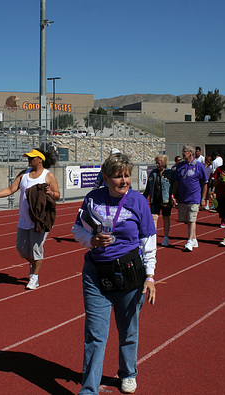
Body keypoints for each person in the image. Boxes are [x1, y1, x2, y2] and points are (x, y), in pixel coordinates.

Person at [71, 153, 156, 395]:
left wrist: (150, 277)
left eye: (127, 175)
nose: (124, 180)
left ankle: (128, 373)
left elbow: (148, 241)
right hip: (96, 274)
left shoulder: (138, 202)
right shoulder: (92, 199)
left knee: (128, 329)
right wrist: (91, 240)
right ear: (106, 178)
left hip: (130, 275)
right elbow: (77, 229)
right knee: (95, 334)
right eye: (118, 176)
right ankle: (89, 390)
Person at [0, 148, 60, 290]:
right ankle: (33, 264)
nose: (29, 160)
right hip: (24, 219)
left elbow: (57, 194)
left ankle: (34, 277)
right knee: (21, 249)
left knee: (36, 249)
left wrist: (51, 192)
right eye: (28, 157)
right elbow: (11, 189)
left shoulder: (48, 176)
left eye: (32, 158)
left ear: (40, 159)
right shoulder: (24, 174)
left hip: (40, 219)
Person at [172, 144, 208, 251]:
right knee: (186, 220)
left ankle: (189, 241)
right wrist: (173, 195)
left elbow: (204, 183)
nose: (183, 153)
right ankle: (194, 238)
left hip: (194, 197)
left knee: (192, 219)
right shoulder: (180, 166)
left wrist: (203, 198)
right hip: (183, 198)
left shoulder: (199, 166)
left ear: (191, 153)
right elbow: (176, 182)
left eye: (185, 151)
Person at [143, 154, 174, 246]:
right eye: (156, 163)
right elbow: (148, 186)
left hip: (166, 199)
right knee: (153, 217)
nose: (157, 165)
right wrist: (144, 197)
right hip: (155, 198)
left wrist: (173, 196)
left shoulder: (170, 173)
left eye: (159, 163)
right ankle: (153, 238)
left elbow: (173, 186)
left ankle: (165, 237)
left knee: (166, 217)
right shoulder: (153, 173)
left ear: (164, 163)